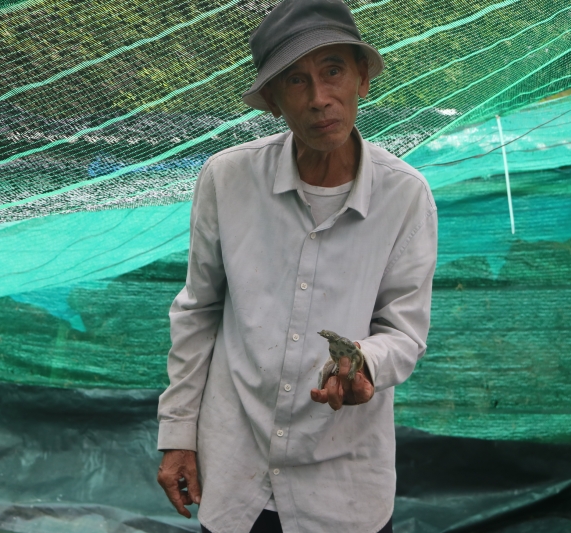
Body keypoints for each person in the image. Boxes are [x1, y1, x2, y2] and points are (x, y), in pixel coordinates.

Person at [156, 0, 437, 531]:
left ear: (361, 79)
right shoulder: (228, 179)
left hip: (342, 490)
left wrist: (363, 365)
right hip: (236, 476)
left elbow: (404, 330)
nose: (319, 98)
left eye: (333, 70)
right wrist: (177, 436)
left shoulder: (405, 195)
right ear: (273, 103)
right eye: (295, 81)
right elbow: (198, 311)